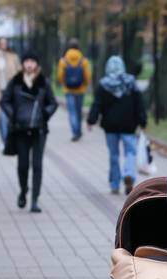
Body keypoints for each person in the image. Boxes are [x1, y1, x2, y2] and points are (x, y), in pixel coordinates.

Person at [0, 50, 57, 213]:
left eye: (33, 61)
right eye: (27, 61)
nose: (30, 64)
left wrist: (45, 114)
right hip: (20, 130)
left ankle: (35, 199)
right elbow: (4, 100)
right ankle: (23, 190)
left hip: (39, 130)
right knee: (23, 165)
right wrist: (14, 115)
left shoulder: (43, 82)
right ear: (23, 64)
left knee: (37, 165)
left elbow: (52, 102)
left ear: (36, 64)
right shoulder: (16, 81)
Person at [87, 56, 145, 195]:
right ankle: (128, 173)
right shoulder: (131, 83)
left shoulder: (104, 85)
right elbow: (139, 105)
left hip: (110, 126)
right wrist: (142, 121)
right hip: (128, 125)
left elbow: (97, 105)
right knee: (130, 152)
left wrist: (91, 120)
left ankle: (114, 184)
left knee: (113, 154)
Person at [57, 38, 91, 141]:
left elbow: (60, 76)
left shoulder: (63, 61)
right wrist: (83, 85)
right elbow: (88, 76)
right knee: (79, 111)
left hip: (69, 91)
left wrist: (66, 85)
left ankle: (75, 131)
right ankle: (79, 130)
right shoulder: (83, 61)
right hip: (80, 91)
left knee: (71, 112)